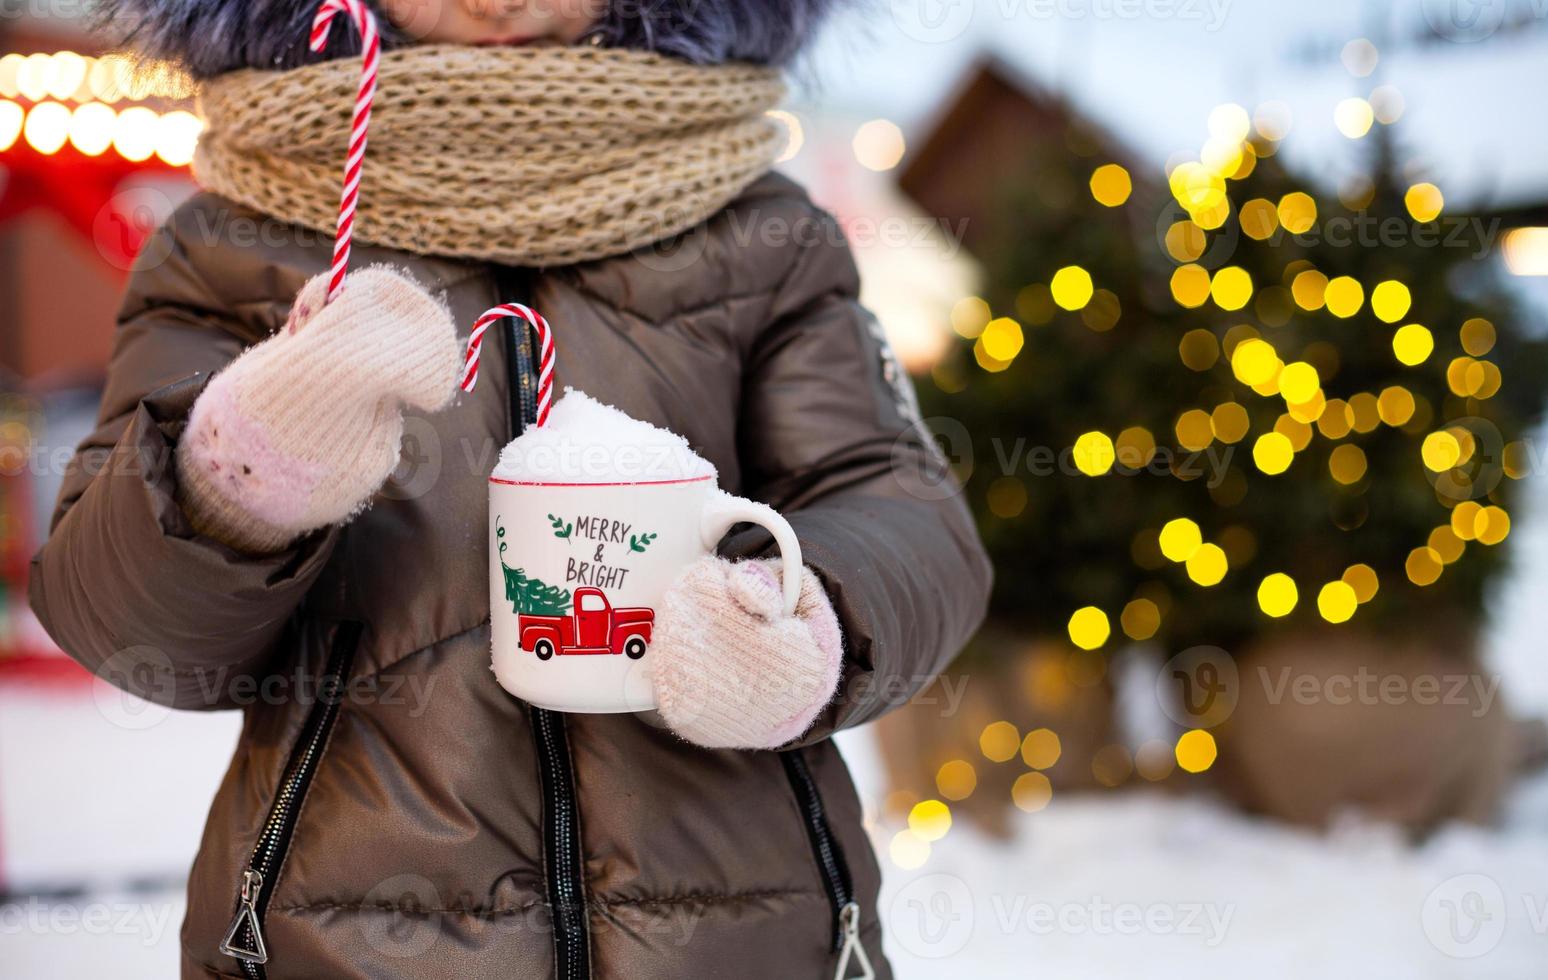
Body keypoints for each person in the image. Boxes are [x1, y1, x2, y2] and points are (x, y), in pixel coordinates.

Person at [29, 1, 992, 976]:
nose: (500, 3)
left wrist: (809, 613)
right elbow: (128, 629)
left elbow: (896, 504)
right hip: (344, 944)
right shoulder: (236, 244)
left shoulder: (758, 231)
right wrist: (238, 473)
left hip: (739, 936)